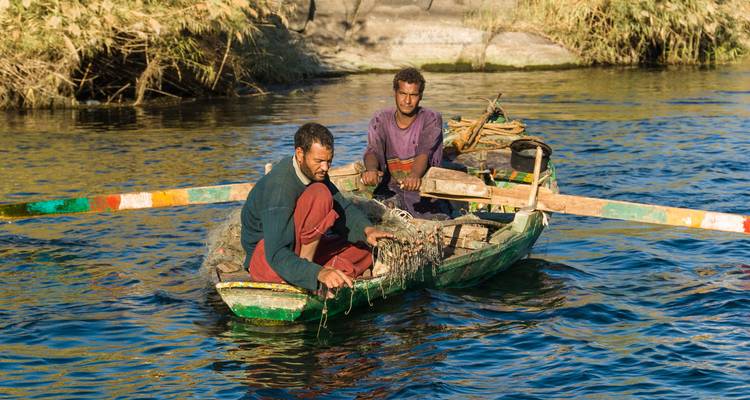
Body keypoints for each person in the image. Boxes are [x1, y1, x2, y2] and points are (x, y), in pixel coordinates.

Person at [240, 122, 393, 293]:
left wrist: (367, 230)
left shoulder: (313, 172)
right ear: (300, 154)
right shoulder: (280, 187)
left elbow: (342, 207)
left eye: (329, 161)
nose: (325, 168)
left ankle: (317, 272)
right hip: (267, 263)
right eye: (319, 161)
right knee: (320, 193)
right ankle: (310, 276)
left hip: (296, 252)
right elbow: (276, 254)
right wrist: (318, 273)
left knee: (366, 251)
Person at [361, 67, 450, 219]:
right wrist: (371, 170)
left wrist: (414, 175)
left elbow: (424, 152)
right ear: (395, 92)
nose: (407, 101)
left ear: (420, 96)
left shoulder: (431, 118)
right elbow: (373, 151)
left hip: (424, 195)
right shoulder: (381, 119)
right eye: (403, 94)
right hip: (391, 191)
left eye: (413, 95)